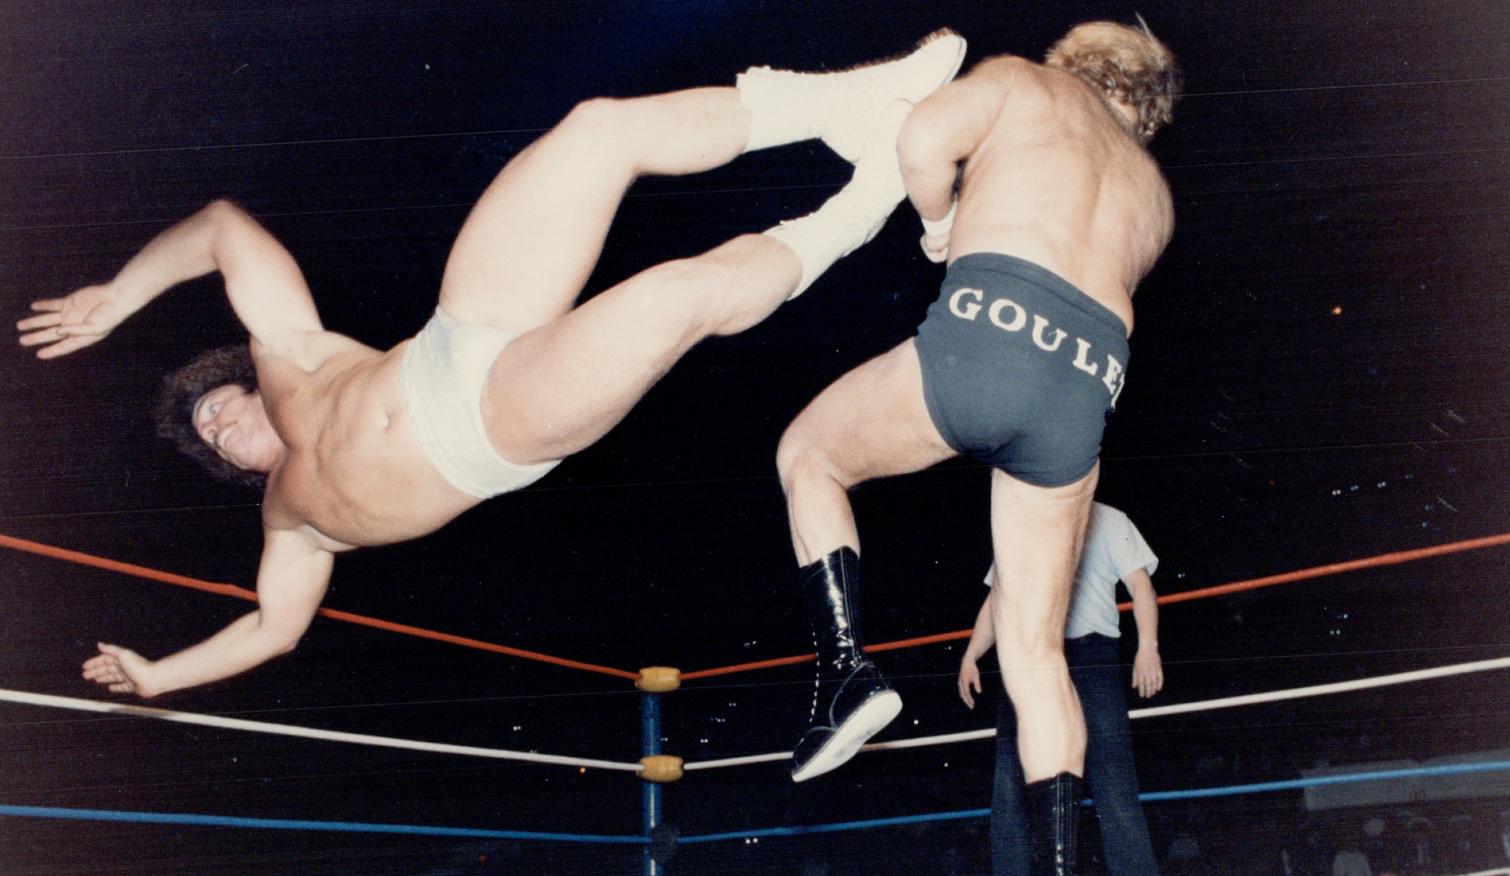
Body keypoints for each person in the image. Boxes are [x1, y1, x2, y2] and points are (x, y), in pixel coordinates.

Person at [15, 32, 968, 699]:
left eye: (218, 401)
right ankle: (873, 190)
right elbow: (272, 629)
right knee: (682, 297)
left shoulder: (294, 357)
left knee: (595, 128)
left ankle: (855, 102)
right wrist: (157, 674)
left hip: (460, 328)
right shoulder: (291, 521)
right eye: (212, 433)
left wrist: (122, 292)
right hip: (491, 425)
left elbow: (223, 230)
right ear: (232, 465)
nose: (219, 419)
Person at [774, 21, 1180, 876]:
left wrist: (938, 222)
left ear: (1078, 63)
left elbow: (922, 138)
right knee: (1036, 652)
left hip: (995, 319)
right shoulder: (1152, 193)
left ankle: (846, 674)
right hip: (1089, 384)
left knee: (810, 456)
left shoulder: (1024, 86)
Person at [957, 502, 1165, 876]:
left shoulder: (1110, 520)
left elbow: (1140, 586)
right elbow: (998, 596)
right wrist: (971, 654)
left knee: (1111, 771)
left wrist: (1148, 647)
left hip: (1092, 654)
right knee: (1011, 776)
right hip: (1029, 654)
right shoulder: (1018, 518)